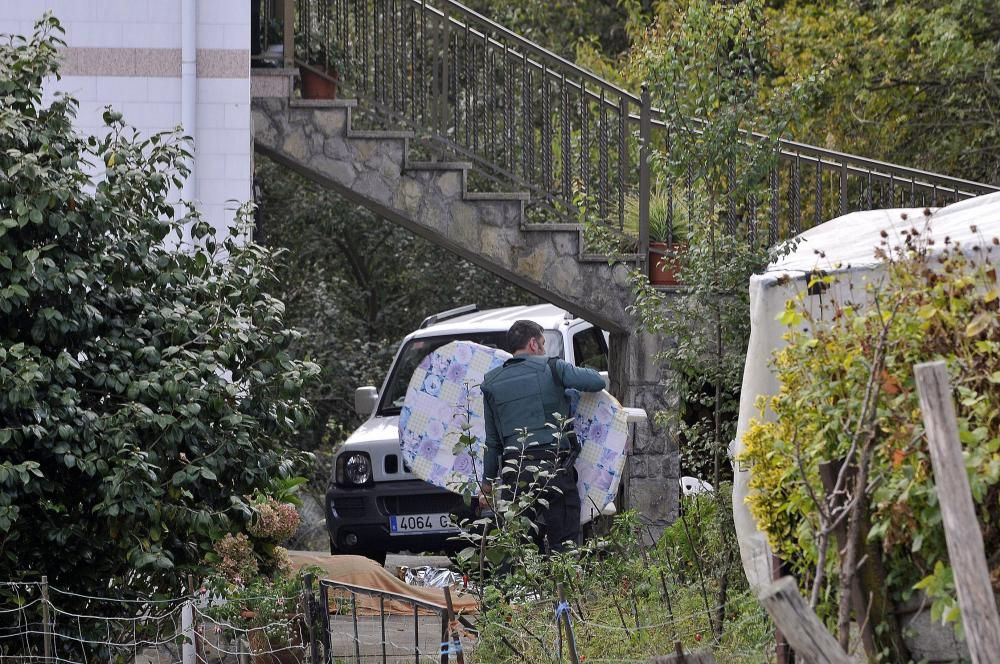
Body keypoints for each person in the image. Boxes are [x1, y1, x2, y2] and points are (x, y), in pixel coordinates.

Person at [479, 320, 605, 553]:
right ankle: (565, 586)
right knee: (564, 545)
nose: (545, 350)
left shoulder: (491, 383)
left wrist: (486, 486)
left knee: (519, 546)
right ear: (533, 343)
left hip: (515, 472)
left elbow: (493, 442)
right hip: (554, 467)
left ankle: (523, 588)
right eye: (543, 344)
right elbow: (595, 381)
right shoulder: (553, 367)